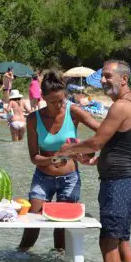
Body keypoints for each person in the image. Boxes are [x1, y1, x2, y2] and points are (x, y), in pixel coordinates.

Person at [56, 60, 131, 262]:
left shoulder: (121, 106)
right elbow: (121, 149)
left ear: (124, 79)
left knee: (108, 242)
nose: (103, 81)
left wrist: (66, 151)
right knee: (122, 239)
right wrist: (96, 160)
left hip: (117, 185)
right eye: (102, 76)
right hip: (126, 183)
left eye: (108, 76)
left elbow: (97, 142)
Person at [18, 71, 100, 252]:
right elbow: (34, 157)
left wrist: (87, 150)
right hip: (42, 177)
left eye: (61, 101)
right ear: (43, 98)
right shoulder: (33, 119)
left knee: (62, 225)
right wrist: (51, 159)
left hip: (69, 178)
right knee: (33, 222)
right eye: (52, 102)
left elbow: (102, 132)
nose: (58, 105)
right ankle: (20, 257)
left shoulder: (73, 111)